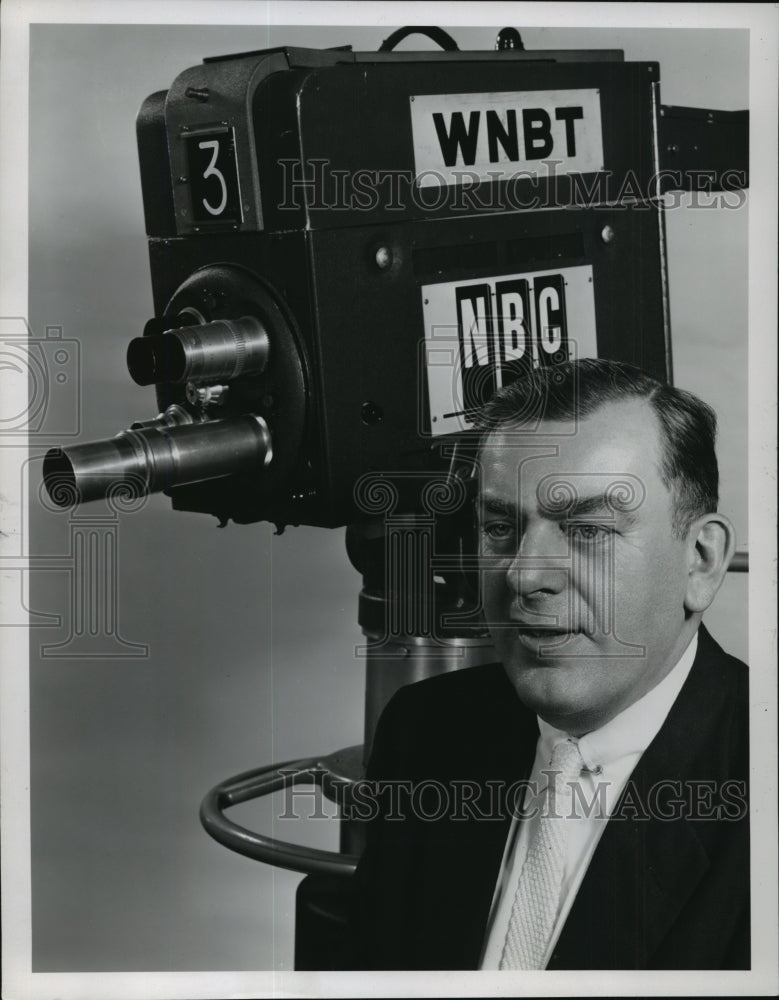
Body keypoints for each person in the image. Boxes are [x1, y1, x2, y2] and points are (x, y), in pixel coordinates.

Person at [349, 358, 749, 971]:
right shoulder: (425, 732)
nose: (525, 574)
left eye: (587, 530)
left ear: (700, 560)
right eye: (501, 526)